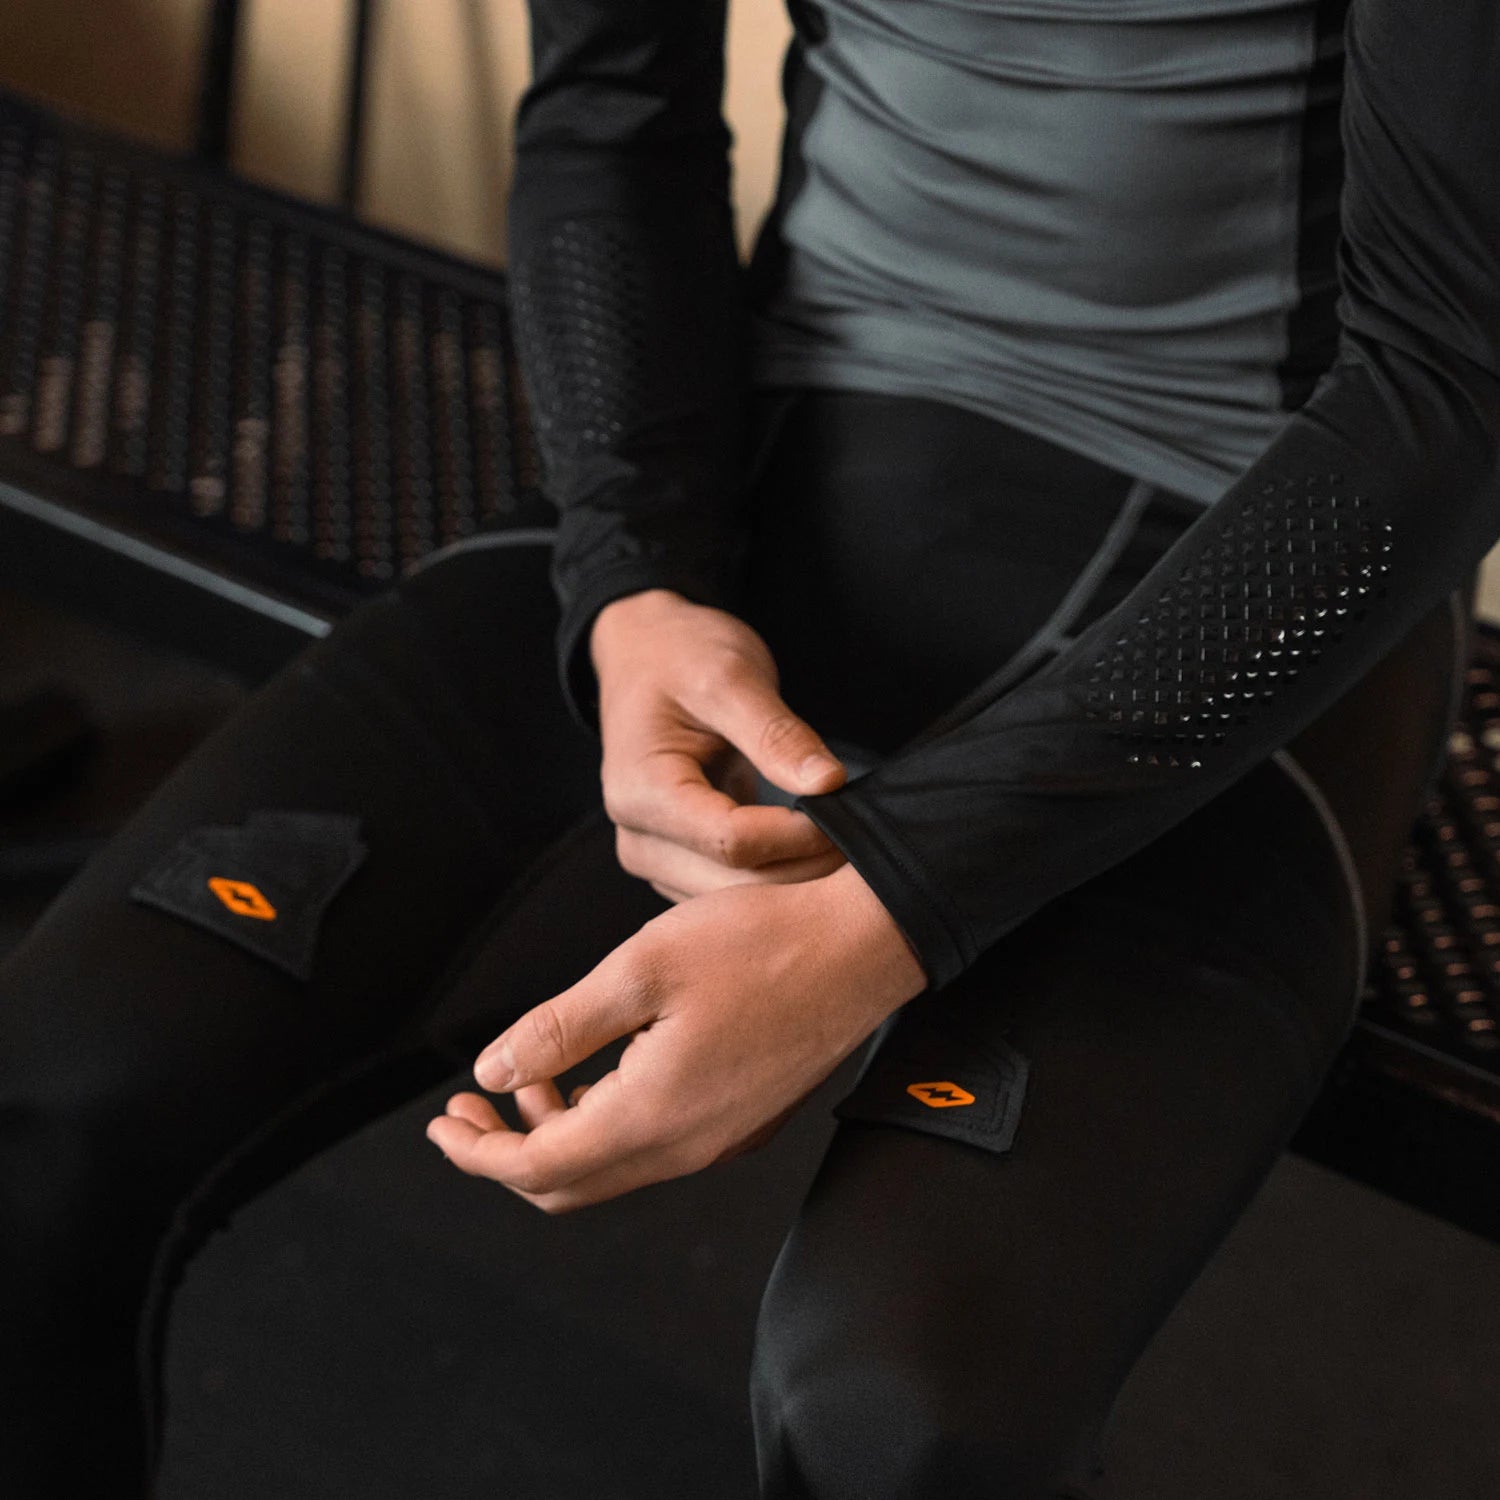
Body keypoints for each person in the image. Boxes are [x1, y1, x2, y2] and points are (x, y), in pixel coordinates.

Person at [0, 2, 1495, 1497]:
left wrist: (899, 901)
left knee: (904, 1416)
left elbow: (1446, 382)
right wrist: (635, 576)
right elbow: (607, 117)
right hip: (763, 470)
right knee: (45, 1113)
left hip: (1283, 573)